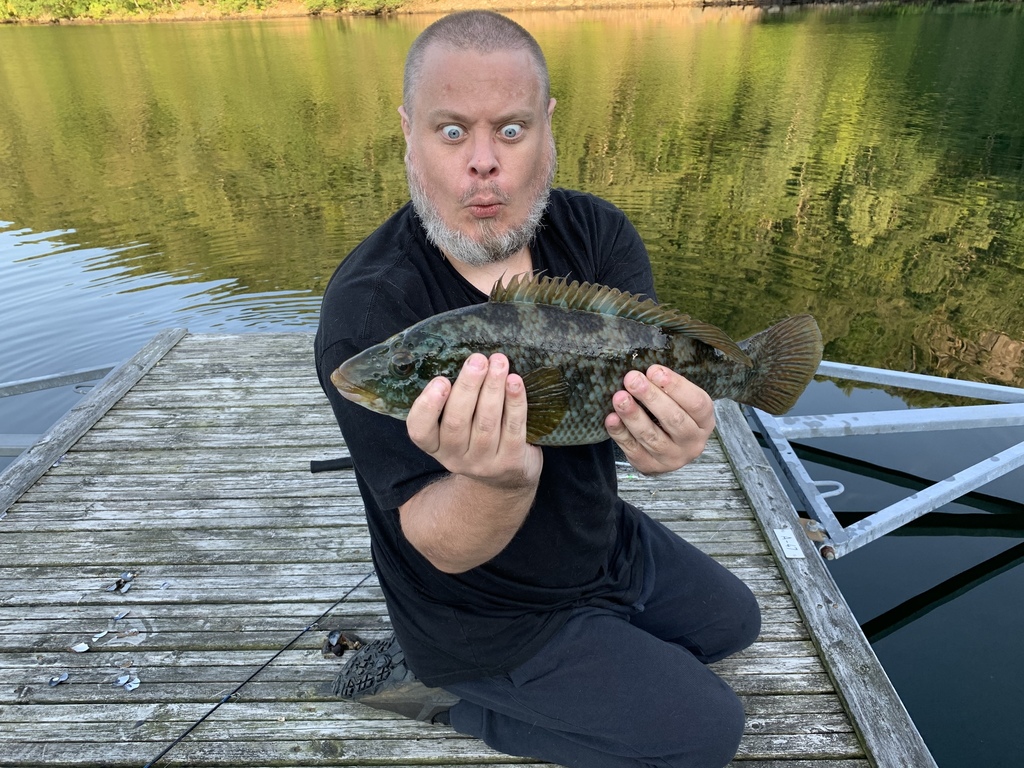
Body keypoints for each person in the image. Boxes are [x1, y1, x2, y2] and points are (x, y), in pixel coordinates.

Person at [314, 11, 760, 768]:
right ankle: (452, 700)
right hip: (477, 613)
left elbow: (640, 403)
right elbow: (440, 544)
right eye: (451, 131)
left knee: (734, 625)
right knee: (705, 733)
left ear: (548, 127)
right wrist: (499, 478)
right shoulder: (369, 312)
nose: (482, 162)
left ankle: (594, 627)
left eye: (511, 130)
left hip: (599, 542)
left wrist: (672, 440)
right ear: (408, 133)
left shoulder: (598, 234)